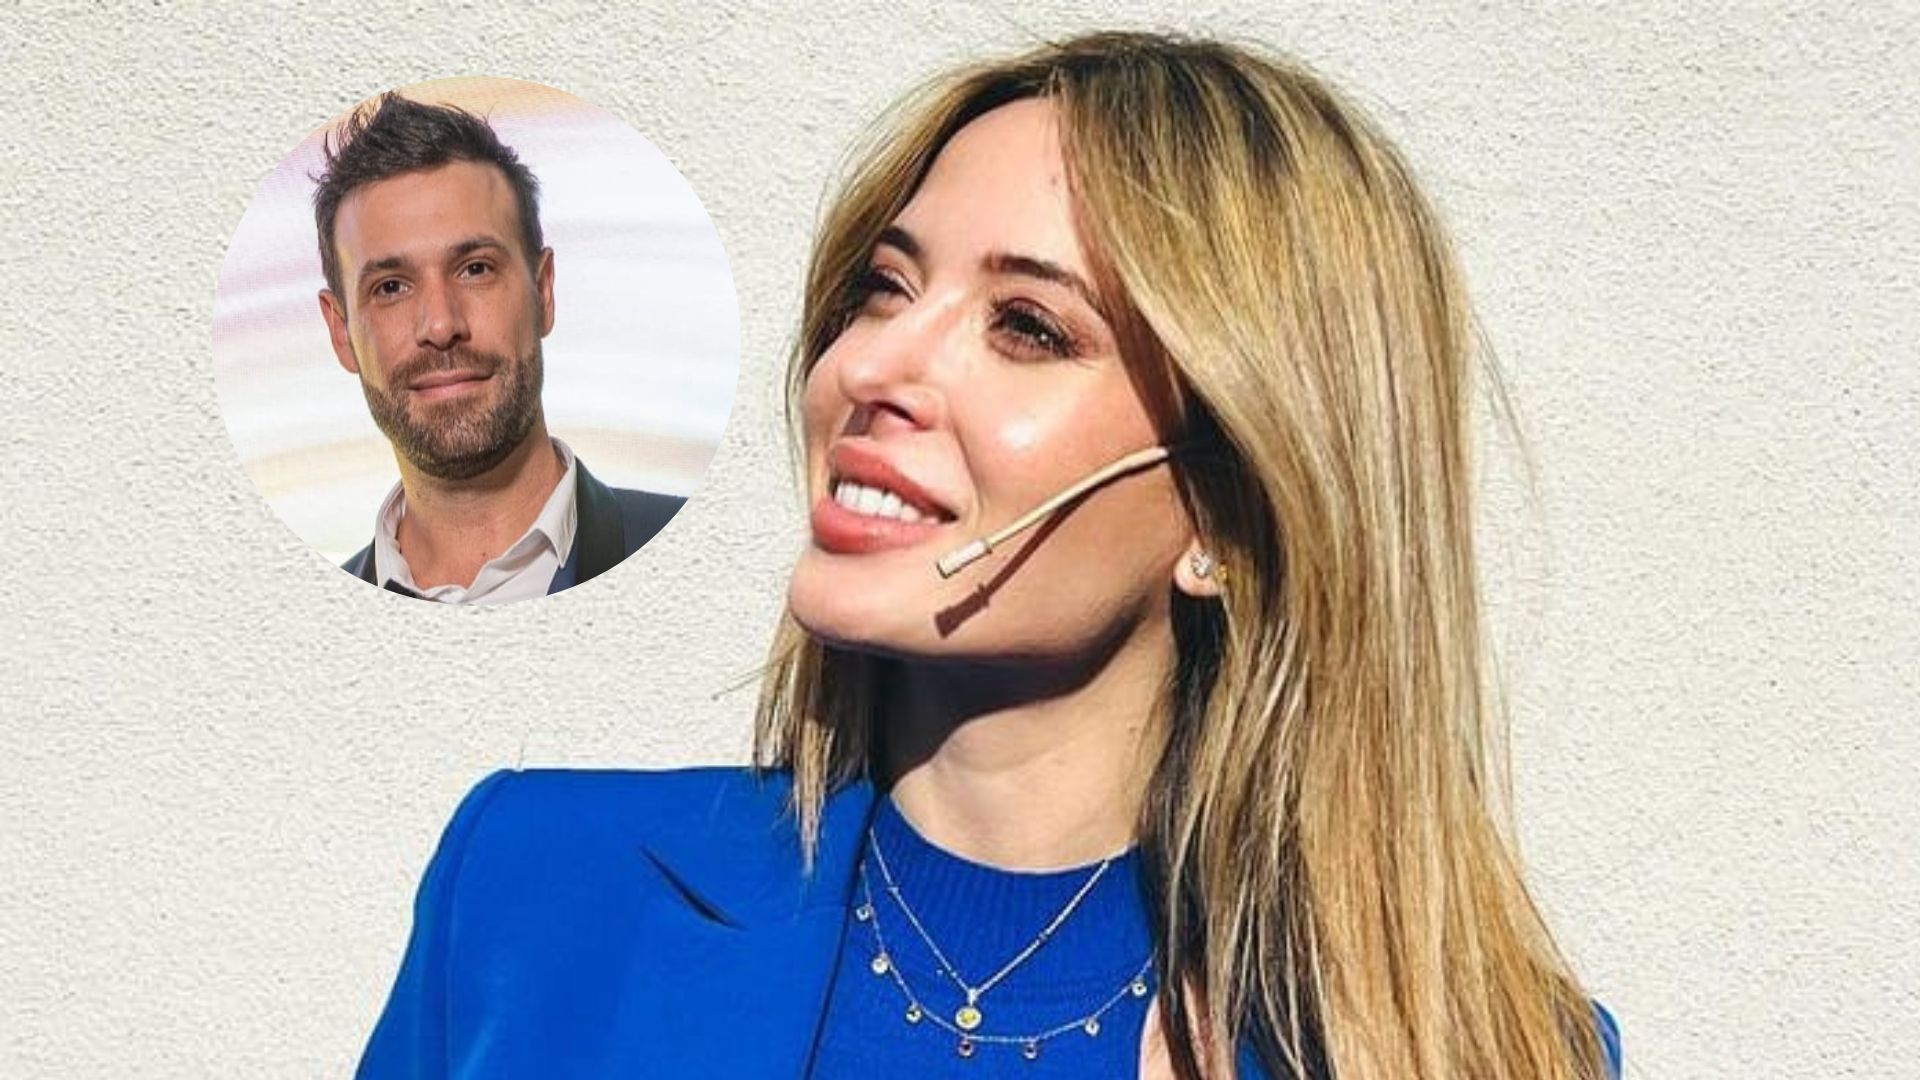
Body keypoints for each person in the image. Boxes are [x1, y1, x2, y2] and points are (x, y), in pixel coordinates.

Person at [357, 33, 1622, 1079]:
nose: (870, 365)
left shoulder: (1482, 1052)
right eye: (886, 287)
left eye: (1027, 326)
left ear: (1229, 513)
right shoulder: (534, 887)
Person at [314, 94, 684, 603]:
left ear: (543, 292)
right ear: (341, 332)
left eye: (475, 269)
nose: (441, 325)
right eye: (391, 287)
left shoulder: (691, 550)